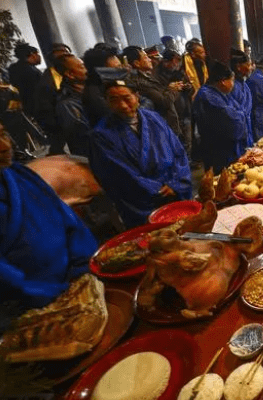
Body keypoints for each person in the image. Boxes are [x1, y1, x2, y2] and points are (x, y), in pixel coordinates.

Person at [0, 120, 97, 310]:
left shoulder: (20, 175)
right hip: (33, 303)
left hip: (79, 279)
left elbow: (68, 220)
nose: (4, 147)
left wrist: (84, 267)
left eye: (3, 134)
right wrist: (51, 292)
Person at [89, 75, 191, 229]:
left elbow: (178, 152)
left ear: (137, 96)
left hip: (174, 190)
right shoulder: (101, 135)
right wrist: (158, 190)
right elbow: (121, 175)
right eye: (113, 100)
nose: (122, 105)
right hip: (143, 200)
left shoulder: (154, 118)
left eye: (126, 98)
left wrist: (176, 183)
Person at [192, 61, 248, 172]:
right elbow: (231, 120)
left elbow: (238, 111)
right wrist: (241, 115)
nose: (233, 84)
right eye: (232, 80)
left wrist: (240, 114)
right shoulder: (207, 95)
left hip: (227, 149)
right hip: (218, 151)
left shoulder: (219, 93)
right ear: (223, 81)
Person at [124, 46, 182, 137]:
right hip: (162, 129)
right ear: (137, 63)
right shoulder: (140, 82)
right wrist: (174, 89)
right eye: (146, 57)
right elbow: (164, 101)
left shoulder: (149, 76)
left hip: (170, 125)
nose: (150, 60)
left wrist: (170, 88)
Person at [55, 53, 91, 157]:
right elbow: (81, 139)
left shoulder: (90, 91)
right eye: (82, 67)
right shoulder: (67, 105)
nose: (87, 70)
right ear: (70, 74)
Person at [7, 42, 42, 117]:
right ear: (32, 54)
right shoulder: (32, 71)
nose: (39, 56)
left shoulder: (13, 69)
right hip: (40, 108)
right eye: (37, 54)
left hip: (28, 109)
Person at [229, 48, 254, 147]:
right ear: (238, 67)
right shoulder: (232, 86)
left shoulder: (244, 84)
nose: (251, 68)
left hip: (247, 128)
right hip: (238, 132)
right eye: (248, 65)